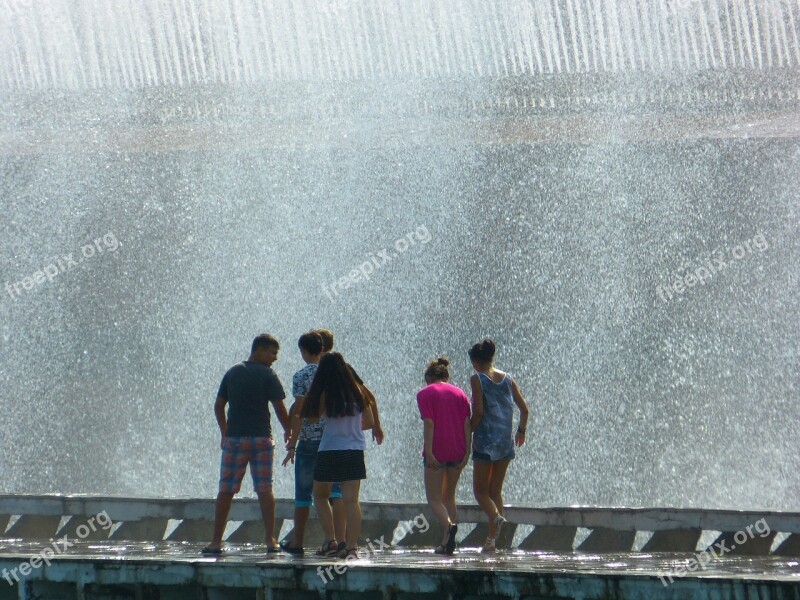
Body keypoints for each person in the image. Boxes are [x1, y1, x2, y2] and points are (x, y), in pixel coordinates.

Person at [202, 334, 290, 555]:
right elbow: (279, 408)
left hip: (235, 440)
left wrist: (224, 432)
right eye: (272, 353)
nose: (274, 359)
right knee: (265, 488)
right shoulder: (268, 374)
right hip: (261, 440)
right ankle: (270, 539)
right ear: (259, 350)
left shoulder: (233, 372)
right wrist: (289, 429)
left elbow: (219, 405)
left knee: (226, 489)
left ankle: (215, 541)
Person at [301, 352, 374, 559]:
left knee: (320, 495)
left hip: (330, 449)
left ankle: (331, 539)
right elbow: (369, 422)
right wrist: (351, 428)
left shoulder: (325, 393)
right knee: (352, 501)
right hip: (354, 449)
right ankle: (351, 547)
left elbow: (312, 419)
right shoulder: (359, 391)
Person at [280, 331, 345, 555]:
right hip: (333, 440)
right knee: (336, 492)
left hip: (309, 441)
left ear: (304, 351)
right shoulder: (336, 374)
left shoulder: (302, 376)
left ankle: (298, 542)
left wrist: (291, 445)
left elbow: (299, 412)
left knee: (303, 494)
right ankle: (339, 540)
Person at [468, 339, 529, 553]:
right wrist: (520, 431)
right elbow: (524, 409)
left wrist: (467, 430)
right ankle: (493, 542)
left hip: (485, 442)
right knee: (495, 491)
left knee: (480, 492)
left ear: (475, 362)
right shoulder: (508, 379)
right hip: (504, 443)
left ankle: (497, 519)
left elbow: (479, 413)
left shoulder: (477, 379)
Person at [417, 356, 471, 555]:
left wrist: (429, 451)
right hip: (458, 449)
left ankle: (449, 527)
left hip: (437, 450)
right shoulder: (460, 393)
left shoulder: (425, 393)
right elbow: (467, 424)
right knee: (449, 496)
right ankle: (447, 542)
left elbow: (429, 423)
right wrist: (467, 452)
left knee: (434, 498)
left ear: (429, 377)